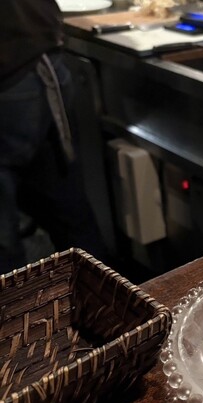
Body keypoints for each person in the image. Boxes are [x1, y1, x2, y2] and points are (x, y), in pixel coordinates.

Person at [0, 0, 111, 274]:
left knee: (6, 239)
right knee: (69, 214)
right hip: (40, 61)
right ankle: (103, 296)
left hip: (14, 70)